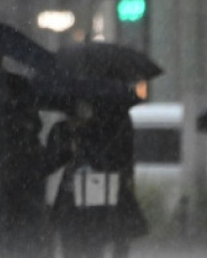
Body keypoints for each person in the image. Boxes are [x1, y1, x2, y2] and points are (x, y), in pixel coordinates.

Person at [41, 99, 148, 258]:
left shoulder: (110, 124)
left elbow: (120, 158)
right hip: (74, 199)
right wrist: (69, 147)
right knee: (77, 245)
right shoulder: (62, 130)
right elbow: (49, 163)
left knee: (93, 244)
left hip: (95, 196)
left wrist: (84, 140)